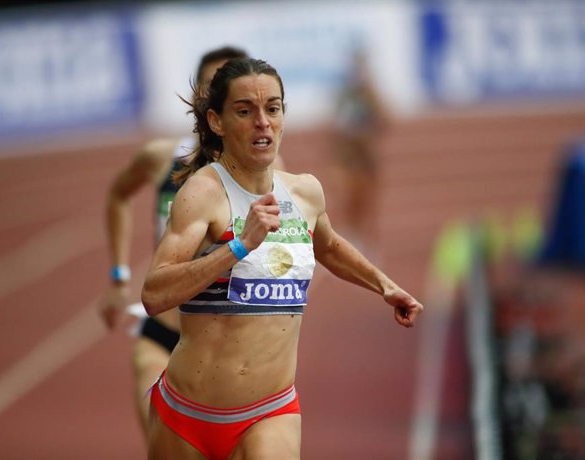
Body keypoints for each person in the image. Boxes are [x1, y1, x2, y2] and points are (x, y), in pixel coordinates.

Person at [141, 57, 424, 460]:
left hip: (271, 411)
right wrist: (238, 246)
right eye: (245, 111)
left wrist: (384, 285)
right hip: (188, 418)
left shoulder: (305, 192)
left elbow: (327, 245)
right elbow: (154, 294)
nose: (262, 121)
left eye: (273, 108)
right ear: (216, 122)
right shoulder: (202, 194)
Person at [99, 46, 253, 435]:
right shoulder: (162, 158)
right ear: (201, 100)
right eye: (212, 87)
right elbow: (118, 194)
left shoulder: (265, 173)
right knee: (160, 443)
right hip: (162, 335)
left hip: (226, 347)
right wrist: (118, 276)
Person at [333, 44, 391, 255]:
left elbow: (386, 120)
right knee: (349, 201)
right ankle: (351, 240)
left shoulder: (370, 93)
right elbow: (334, 125)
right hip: (348, 159)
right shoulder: (344, 93)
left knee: (368, 202)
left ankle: (369, 243)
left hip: (366, 159)